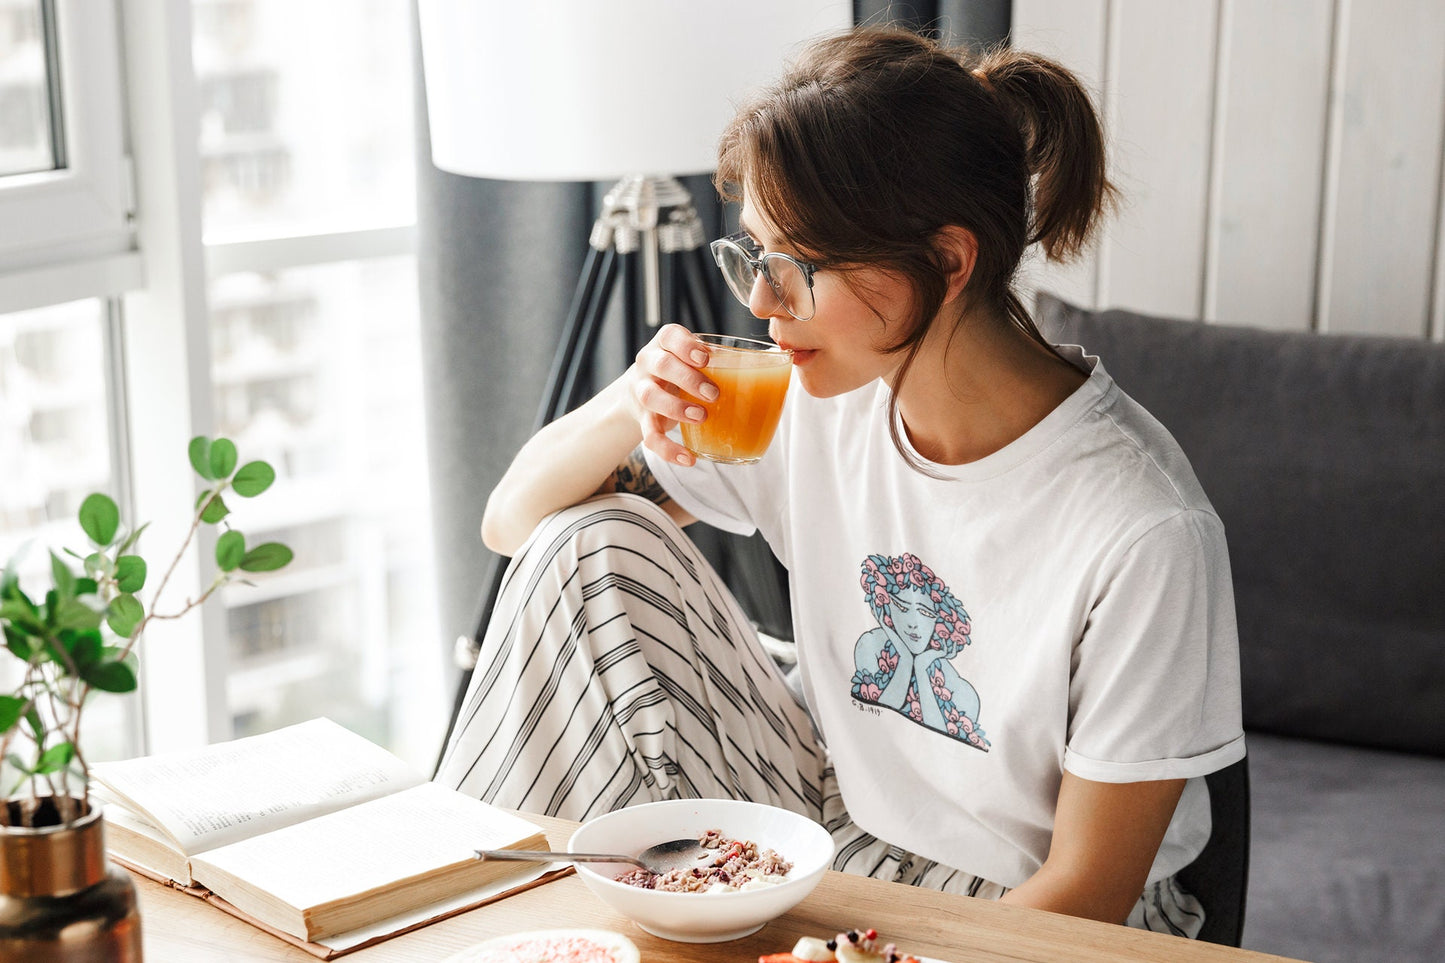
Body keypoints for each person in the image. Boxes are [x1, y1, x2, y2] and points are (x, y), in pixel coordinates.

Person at [436, 25, 1244, 937]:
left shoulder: (1142, 526)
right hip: (837, 824)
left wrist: (851, 948)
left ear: (945, 260)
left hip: (1034, 913)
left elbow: (1089, 893)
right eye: (752, 255)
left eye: (797, 268)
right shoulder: (812, 396)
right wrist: (632, 396)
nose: (759, 304)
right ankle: (473, 925)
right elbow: (516, 524)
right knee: (589, 543)